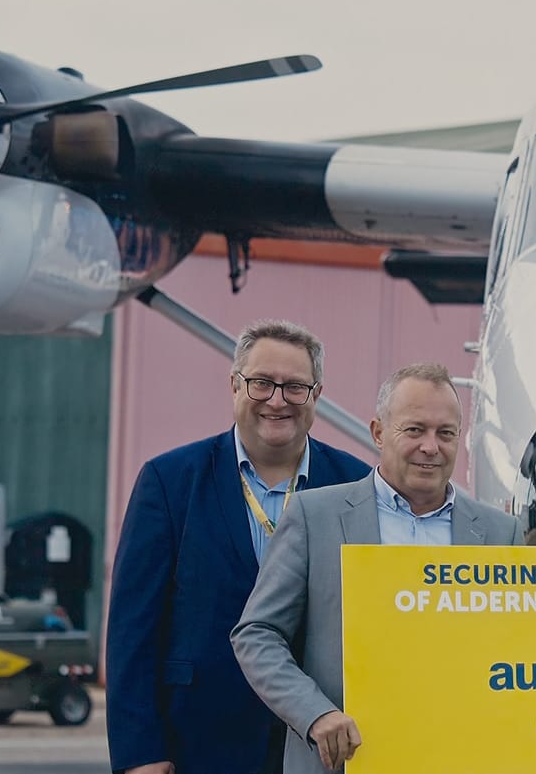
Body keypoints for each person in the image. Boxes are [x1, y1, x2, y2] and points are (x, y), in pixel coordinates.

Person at [231, 362, 523, 774]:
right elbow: (257, 635)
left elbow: (520, 652)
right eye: (414, 430)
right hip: (343, 762)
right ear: (379, 432)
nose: (430, 446)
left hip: (461, 759)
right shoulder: (316, 517)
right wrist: (316, 714)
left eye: (446, 433)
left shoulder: (500, 533)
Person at [106, 320, 370, 774]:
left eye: (294, 387)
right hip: (199, 741)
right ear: (234, 385)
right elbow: (133, 630)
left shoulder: (357, 485)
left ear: (316, 395)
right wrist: (140, 753)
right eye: (261, 383)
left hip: (322, 746)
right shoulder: (170, 482)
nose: (276, 400)